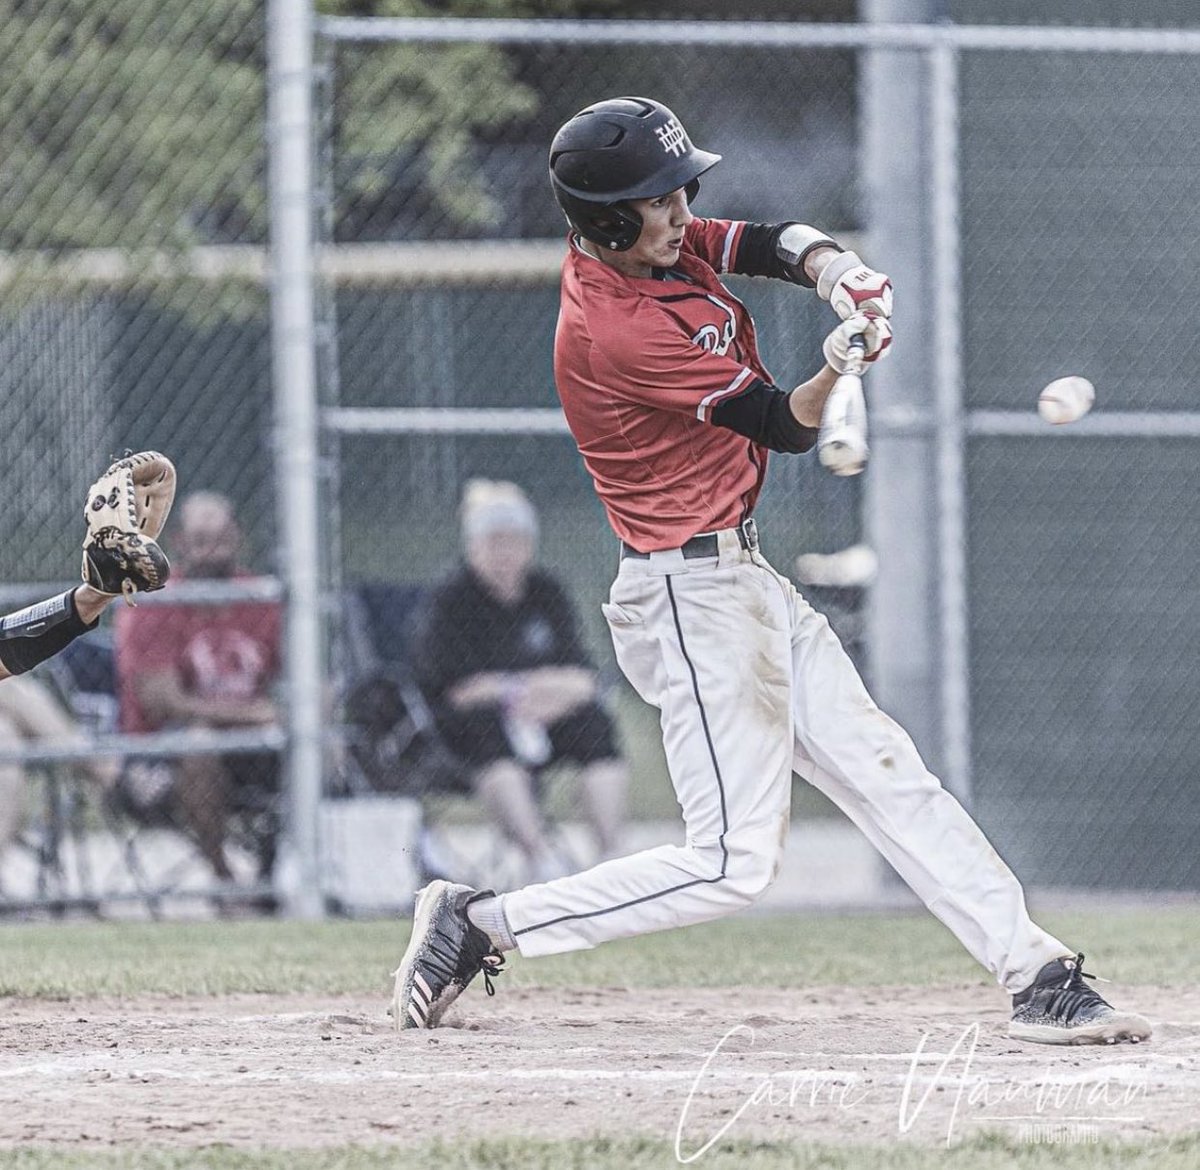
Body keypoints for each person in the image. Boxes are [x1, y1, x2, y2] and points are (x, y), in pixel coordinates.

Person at [391, 97, 1150, 1045]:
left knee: (886, 772)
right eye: (660, 201)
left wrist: (839, 273)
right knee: (730, 864)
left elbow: (759, 240)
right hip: (688, 600)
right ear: (609, 222)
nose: (682, 212)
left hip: (742, 582)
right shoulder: (616, 327)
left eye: (679, 192)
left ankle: (1035, 973)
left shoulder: (657, 249)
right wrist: (836, 369)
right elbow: (783, 424)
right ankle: (480, 923)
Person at [410, 479, 627, 881]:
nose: (505, 552)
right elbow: (455, 690)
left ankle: (612, 857)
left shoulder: (547, 592)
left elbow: (582, 679)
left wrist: (539, 696)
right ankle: (539, 857)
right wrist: (518, 692)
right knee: (486, 732)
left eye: (514, 540)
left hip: (547, 716)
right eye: (494, 541)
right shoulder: (451, 600)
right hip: (477, 730)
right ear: (473, 546)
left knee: (596, 726)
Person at [113, 491, 282, 894]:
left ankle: (284, 869)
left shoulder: (261, 596)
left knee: (315, 741)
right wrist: (255, 714)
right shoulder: (155, 602)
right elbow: (164, 702)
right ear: (180, 544)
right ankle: (224, 879)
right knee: (199, 742)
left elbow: (301, 676)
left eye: (221, 539)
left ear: (237, 538)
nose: (212, 552)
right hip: (163, 752)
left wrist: (298, 711)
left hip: (251, 745)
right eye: (201, 541)